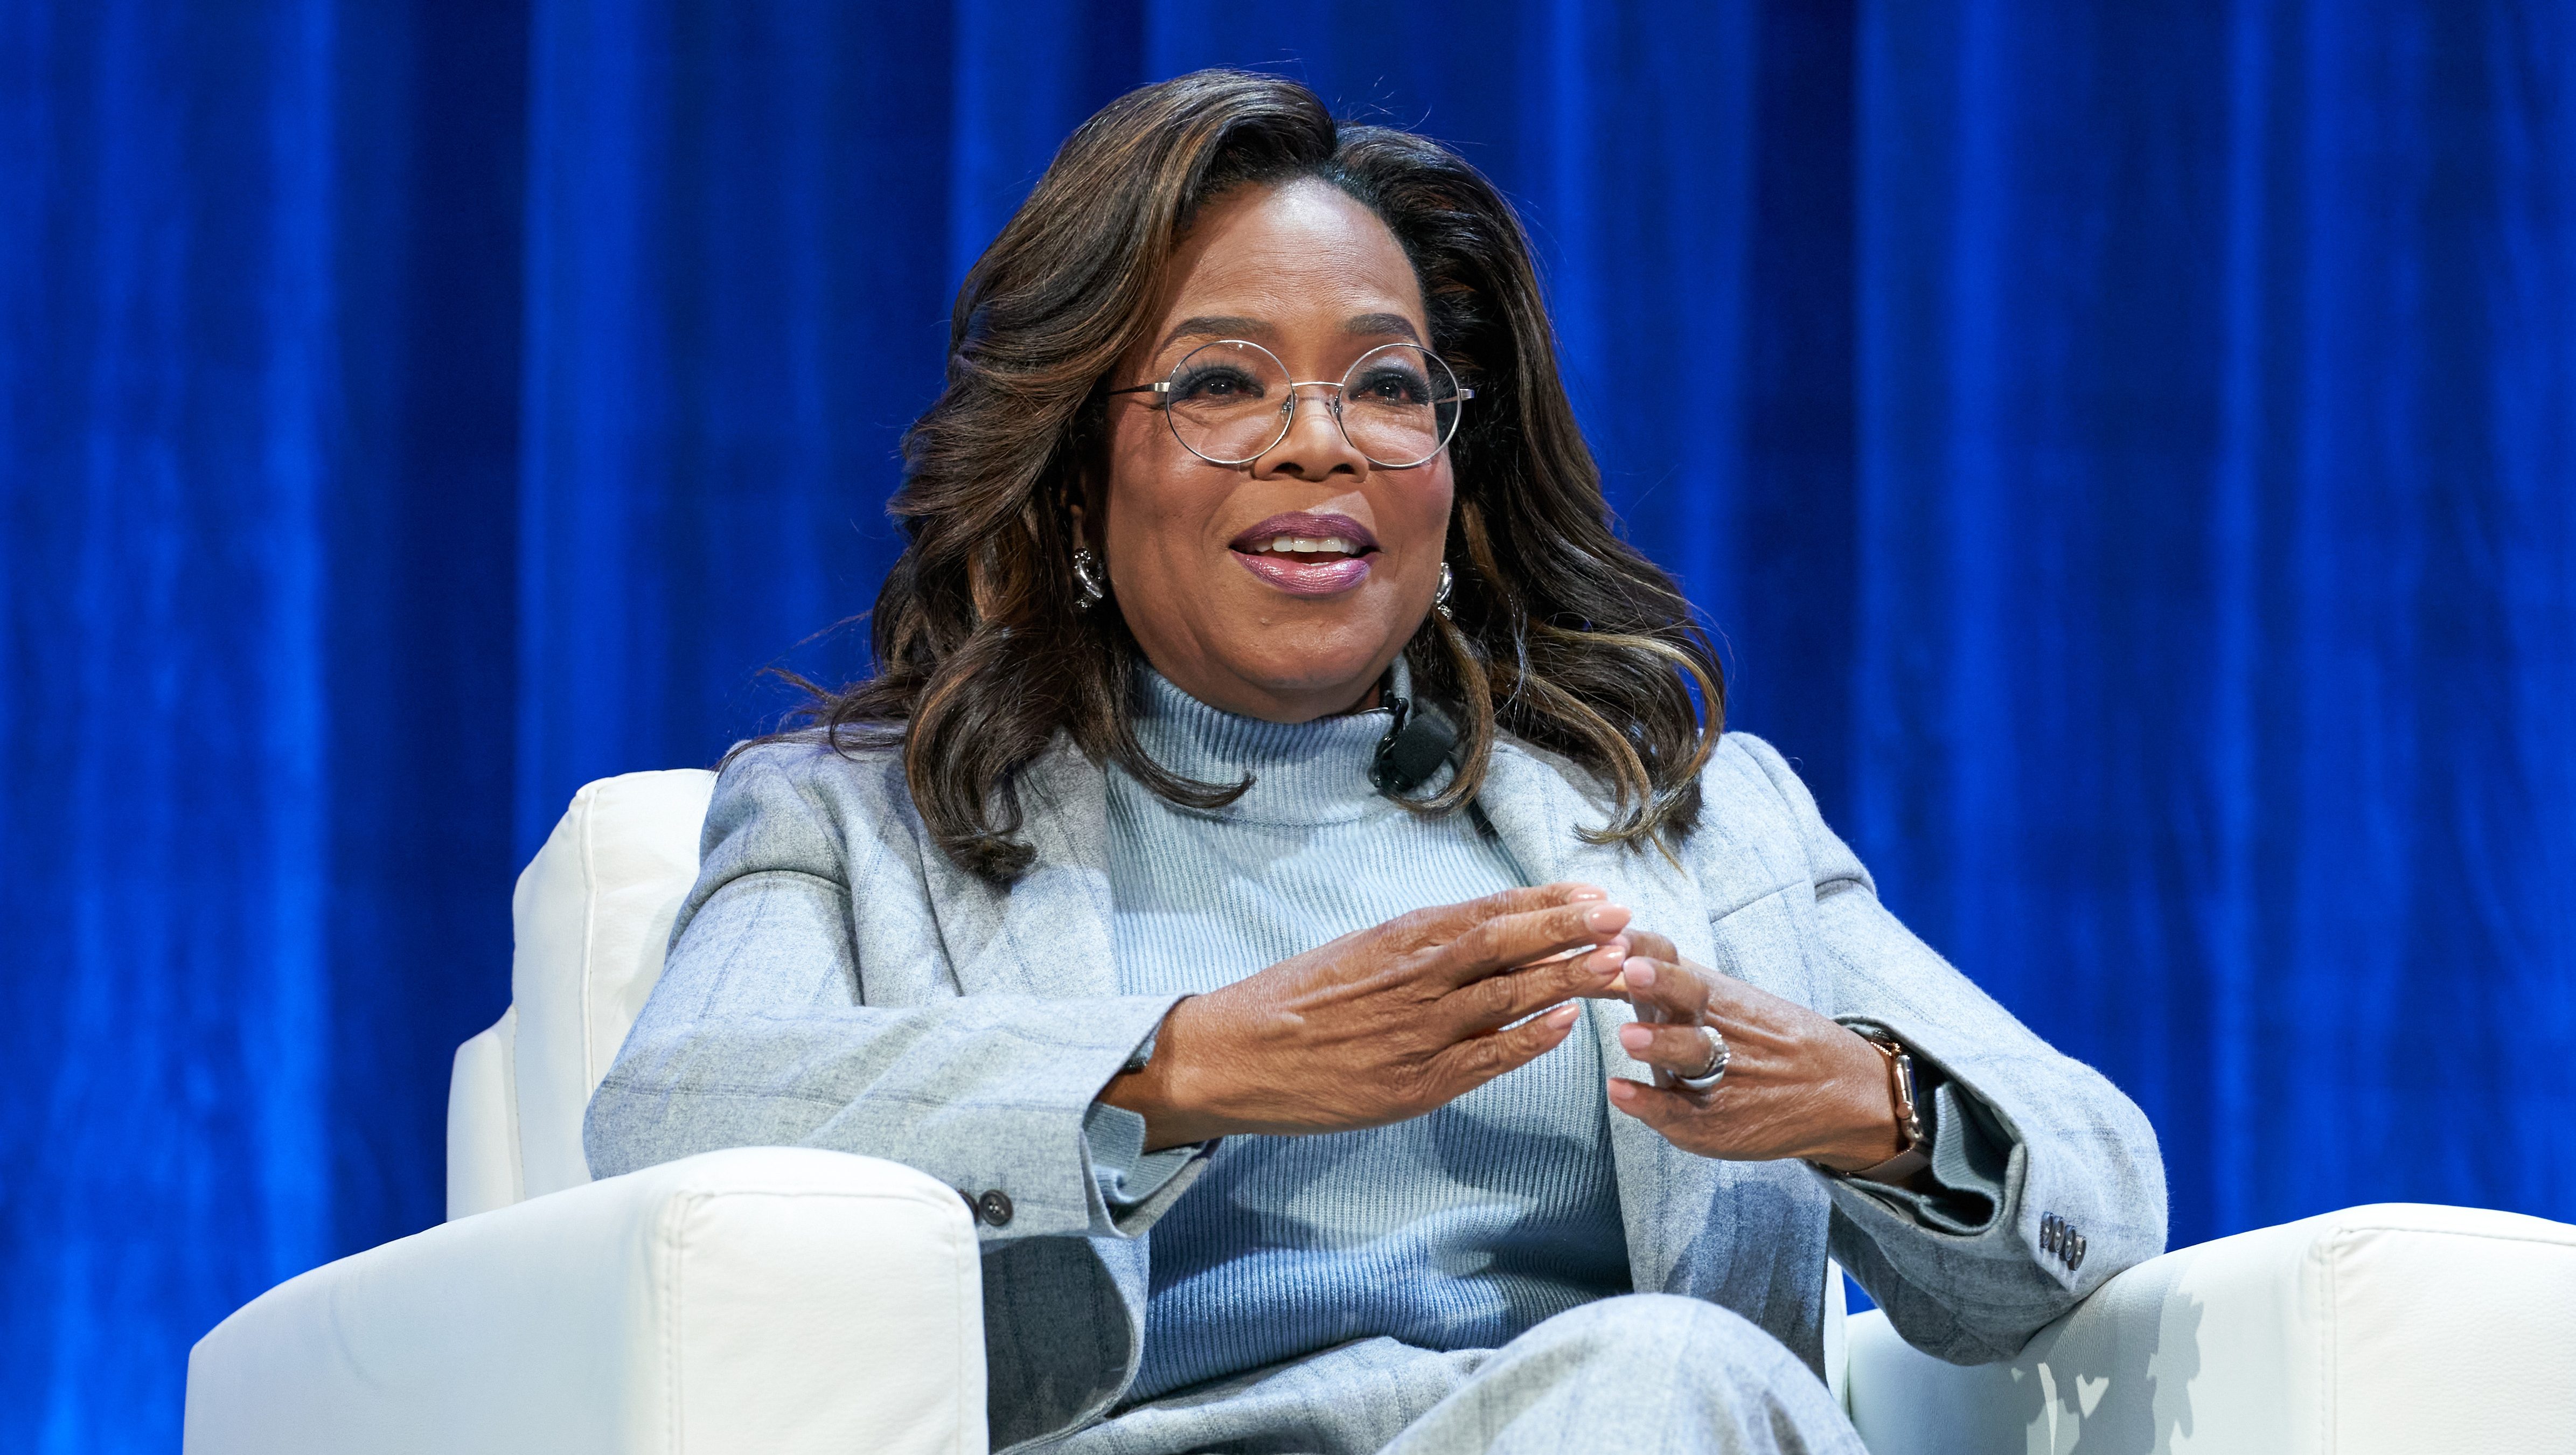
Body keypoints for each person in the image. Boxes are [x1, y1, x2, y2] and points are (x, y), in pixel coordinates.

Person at [584, 69, 2166, 1455]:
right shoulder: (866, 819)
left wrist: (1872, 1107)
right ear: (1072, 477)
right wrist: (1182, 1072)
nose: (1320, 440)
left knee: (1664, 1379)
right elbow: (666, 1119)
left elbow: (2103, 1194)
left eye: (1388, 386)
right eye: (1220, 383)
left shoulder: (1687, 816)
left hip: (1640, 1426)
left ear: (1452, 475)